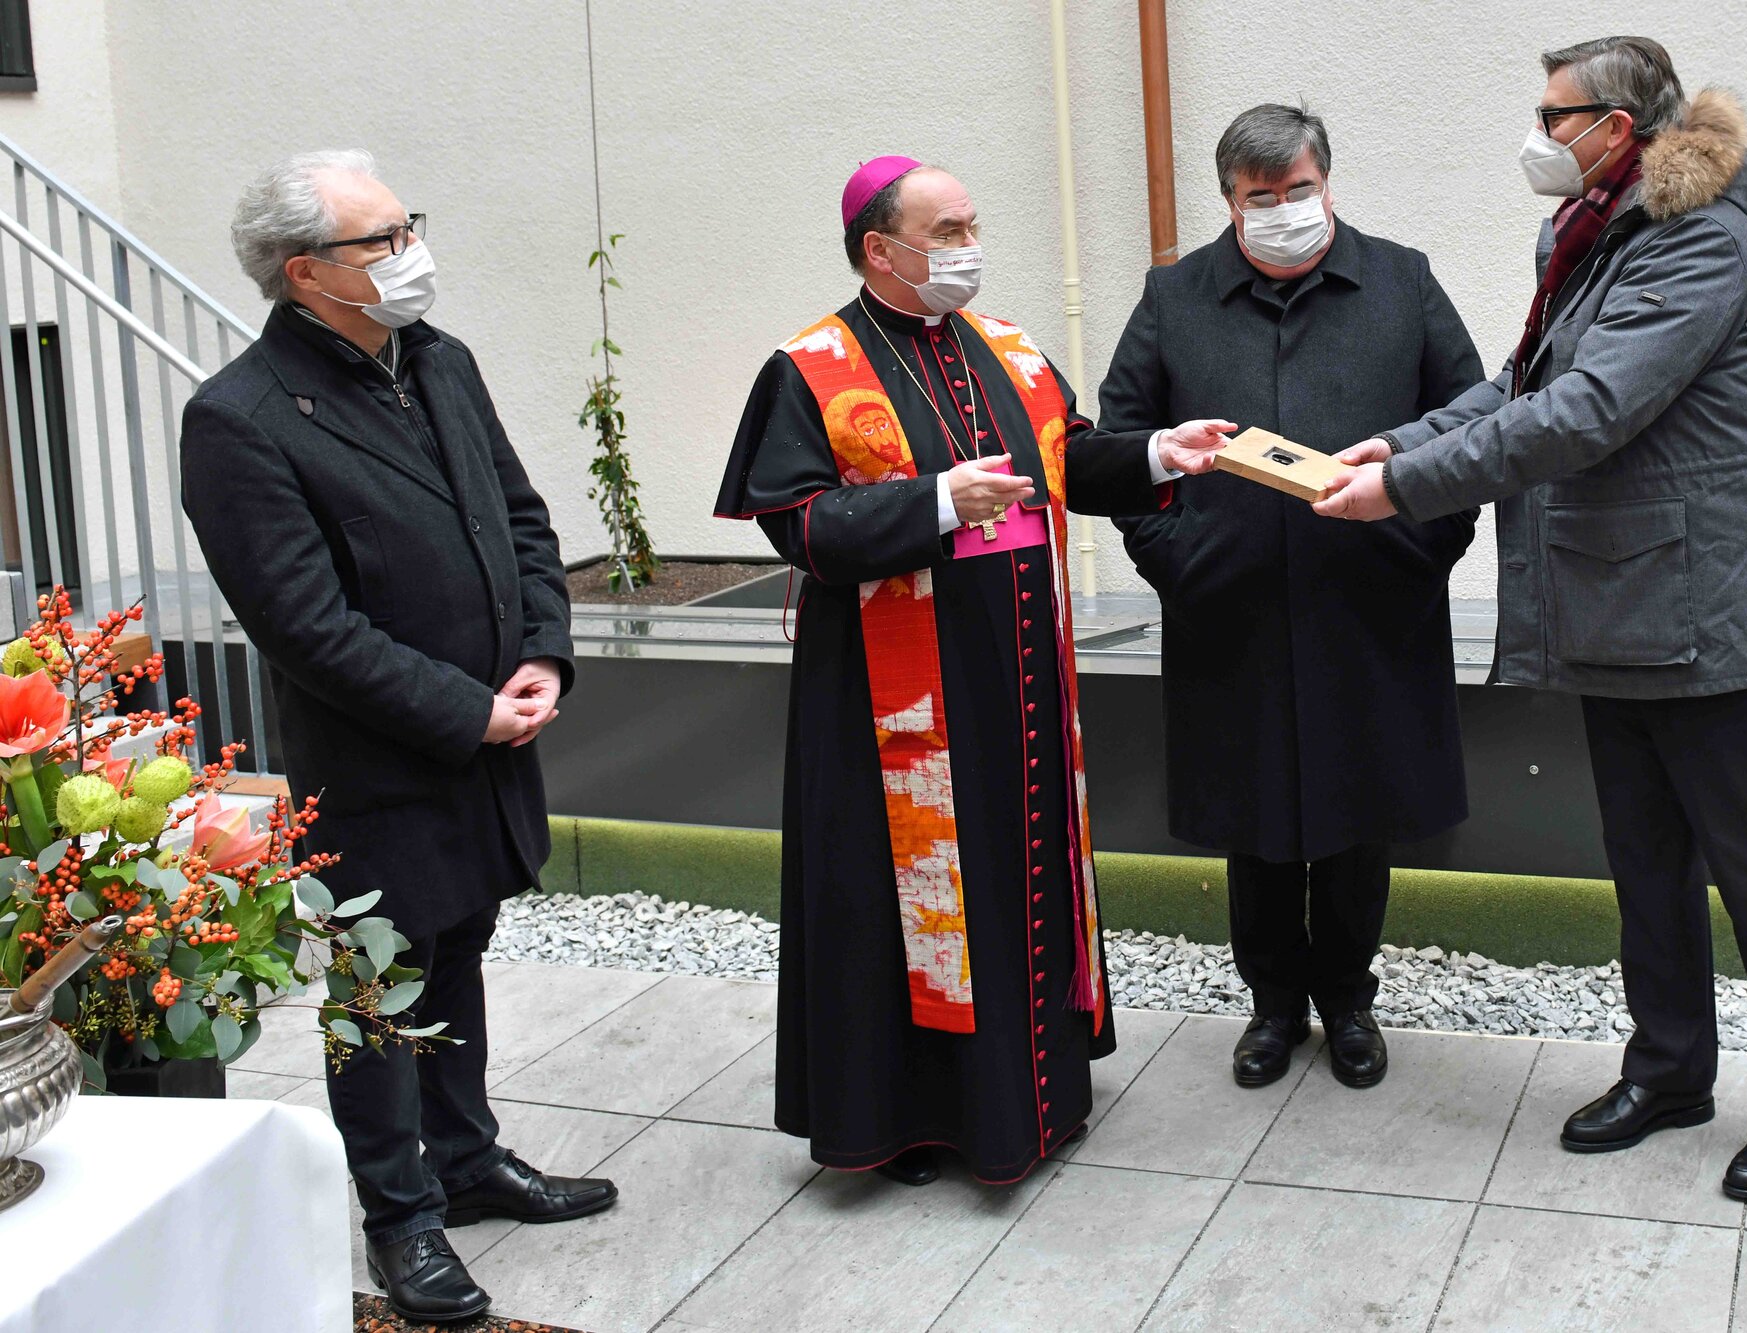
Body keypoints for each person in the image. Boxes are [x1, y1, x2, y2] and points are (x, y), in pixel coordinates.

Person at [1317, 38, 1747, 1200]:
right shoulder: (1599, 234)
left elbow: (1587, 409)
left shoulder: (1698, 240)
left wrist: (1405, 490)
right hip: (1626, 606)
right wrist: (1400, 442)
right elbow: (1521, 382)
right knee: (1645, 859)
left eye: (1553, 114)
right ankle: (1668, 1070)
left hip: (1711, 612)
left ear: (1618, 127)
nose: (1537, 134)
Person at [714, 156, 1233, 1186]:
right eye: (944, 230)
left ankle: (1033, 1094)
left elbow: (1066, 460)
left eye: (970, 224)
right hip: (886, 697)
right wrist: (935, 505)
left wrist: (1159, 455)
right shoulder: (810, 366)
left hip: (1019, 677)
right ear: (880, 249)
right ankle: (913, 1118)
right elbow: (796, 522)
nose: (967, 246)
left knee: (1018, 867)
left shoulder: (1010, 350)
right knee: (902, 894)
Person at [181, 150, 616, 1323]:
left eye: (402, 225)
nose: (407, 251)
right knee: (377, 993)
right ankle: (401, 1217)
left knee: (459, 953)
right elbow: (305, 626)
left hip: (490, 732)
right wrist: (466, 709)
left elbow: (521, 519)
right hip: (380, 765)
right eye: (379, 239)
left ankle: (466, 1164)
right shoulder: (240, 418)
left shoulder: (437, 360)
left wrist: (539, 653)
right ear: (303, 273)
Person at [1103, 104, 1485, 1091]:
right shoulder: (1175, 296)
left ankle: (1348, 1001)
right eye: (1258, 198)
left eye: (1297, 191)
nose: (1281, 211)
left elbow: (1473, 428)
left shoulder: (1400, 279)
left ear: (1327, 181)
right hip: (1226, 611)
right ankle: (1270, 1006)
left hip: (1371, 604)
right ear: (1228, 200)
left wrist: (1418, 545)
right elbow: (1116, 442)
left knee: (1360, 817)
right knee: (1256, 821)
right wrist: (1174, 558)